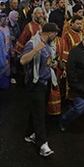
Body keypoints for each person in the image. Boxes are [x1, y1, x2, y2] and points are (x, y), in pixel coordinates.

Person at [20, 23, 59, 157]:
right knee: (40, 113)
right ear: (50, 33)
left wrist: (52, 64)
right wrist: (36, 49)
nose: (56, 36)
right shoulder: (33, 43)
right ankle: (42, 144)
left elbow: (48, 60)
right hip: (35, 83)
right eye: (55, 33)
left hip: (45, 81)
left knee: (36, 109)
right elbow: (23, 60)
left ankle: (29, 134)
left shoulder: (48, 44)